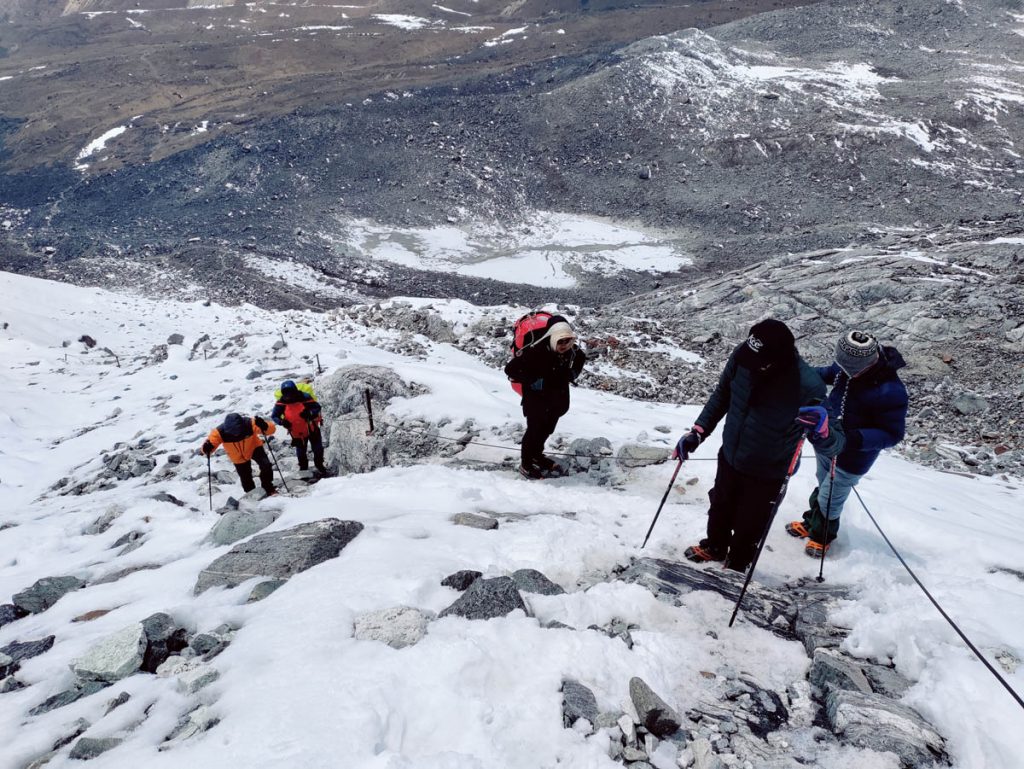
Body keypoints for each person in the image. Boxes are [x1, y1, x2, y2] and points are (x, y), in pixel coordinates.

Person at [675, 318, 844, 572]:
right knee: (720, 505)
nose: (751, 366)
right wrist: (699, 431)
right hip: (731, 453)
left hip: (770, 469)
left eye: (759, 363)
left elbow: (835, 445)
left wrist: (823, 431)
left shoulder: (807, 385)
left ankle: (737, 565)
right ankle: (715, 546)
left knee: (750, 522)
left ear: (777, 359)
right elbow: (723, 394)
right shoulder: (745, 356)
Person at [786, 331, 908, 556]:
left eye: (853, 369)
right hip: (827, 441)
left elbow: (892, 434)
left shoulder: (890, 391)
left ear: (871, 361)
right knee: (823, 484)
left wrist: (852, 438)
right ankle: (811, 522)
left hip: (853, 455)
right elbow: (826, 373)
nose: (846, 372)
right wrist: (800, 375)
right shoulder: (846, 367)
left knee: (830, 497)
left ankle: (822, 536)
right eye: (843, 366)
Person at [504, 315, 586, 479]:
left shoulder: (572, 351)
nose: (564, 345)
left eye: (567, 341)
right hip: (536, 400)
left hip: (556, 400)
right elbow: (511, 369)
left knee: (547, 429)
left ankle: (537, 455)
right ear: (552, 337)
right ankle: (526, 464)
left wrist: (571, 374)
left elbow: (580, 358)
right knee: (534, 430)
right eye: (560, 341)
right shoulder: (535, 351)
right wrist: (534, 380)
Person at [200, 413, 277, 496]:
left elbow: (271, 430)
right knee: (245, 477)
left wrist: (265, 426)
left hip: (254, 447)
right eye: (232, 433)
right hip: (237, 456)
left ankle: (268, 487)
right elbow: (208, 448)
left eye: (237, 432)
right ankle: (251, 495)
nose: (235, 435)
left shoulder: (250, 423)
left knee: (266, 465)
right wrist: (206, 448)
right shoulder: (219, 432)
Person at [271, 379, 329, 476]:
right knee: (301, 451)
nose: (288, 396)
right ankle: (303, 468)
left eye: (290, 393)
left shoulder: (305, 397)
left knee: (317, 448)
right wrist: (282, 422)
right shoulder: (281, 403)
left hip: (311, 428)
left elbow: (317, 407)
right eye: (286, 393)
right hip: (296, 432)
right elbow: (274, 416)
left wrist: (309, 413)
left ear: (295, 390)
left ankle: (319, 465)